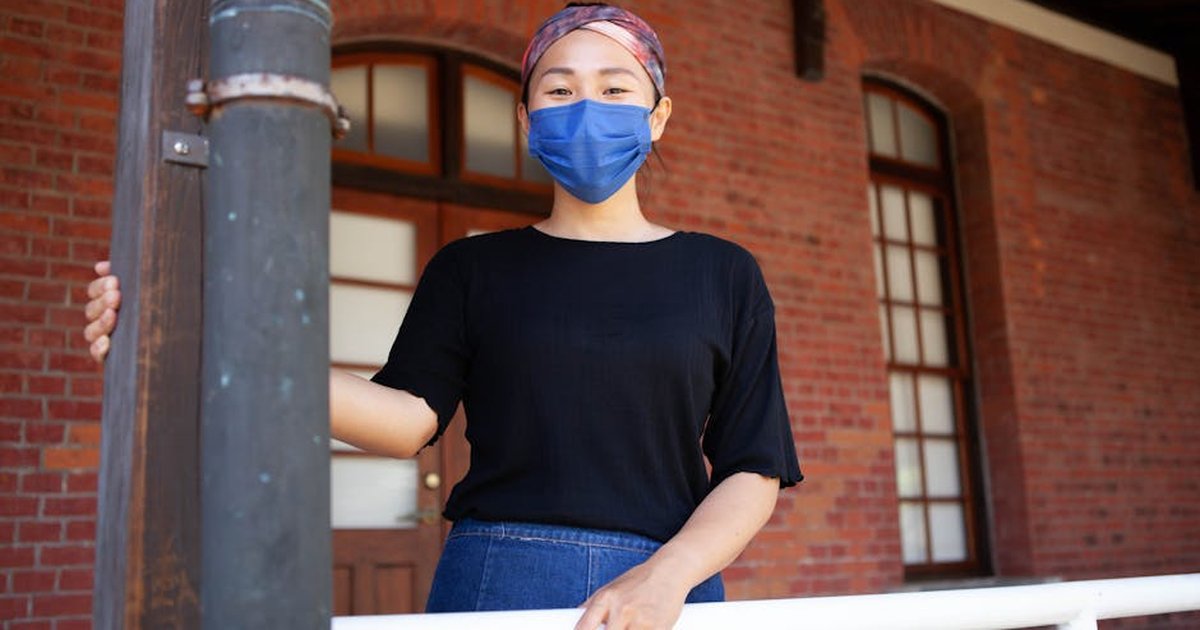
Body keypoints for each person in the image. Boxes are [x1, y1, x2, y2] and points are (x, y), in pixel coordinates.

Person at [84, 3, 802, 628]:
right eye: (559, 89)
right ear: (526, 118)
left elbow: (752, 466)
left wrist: (669, 574)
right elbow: (405, 421)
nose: (587, 107)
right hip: (498, 579)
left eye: (615, 88)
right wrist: (199, 336)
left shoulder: (724, 273)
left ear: (658, 114)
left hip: (668, 587)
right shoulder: (472, 267)